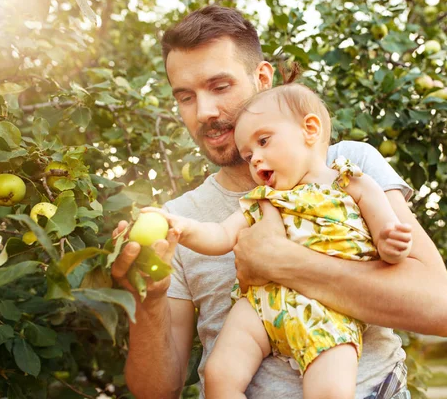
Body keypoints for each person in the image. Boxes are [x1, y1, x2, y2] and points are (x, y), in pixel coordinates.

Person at [110, 5, 447, 399]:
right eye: (186, 97)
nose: (204, 112)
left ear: (262, 78)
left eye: (220, 87)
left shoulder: (348, 166)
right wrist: (149, 300)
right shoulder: (180, 221)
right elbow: (156, 392)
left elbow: (438, 310)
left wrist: (280, 262)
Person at [141, 82, 414, 399]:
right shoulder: (262, 199)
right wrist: (181, 227)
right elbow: (220, 236)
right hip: (260, 306)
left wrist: (392, 242)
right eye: (248, 154)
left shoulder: (350, 181)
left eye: (264, 141)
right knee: (219, 377)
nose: (255, 159)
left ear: (309, 130)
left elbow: (386, 230)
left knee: (331, 391)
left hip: (328, 313)